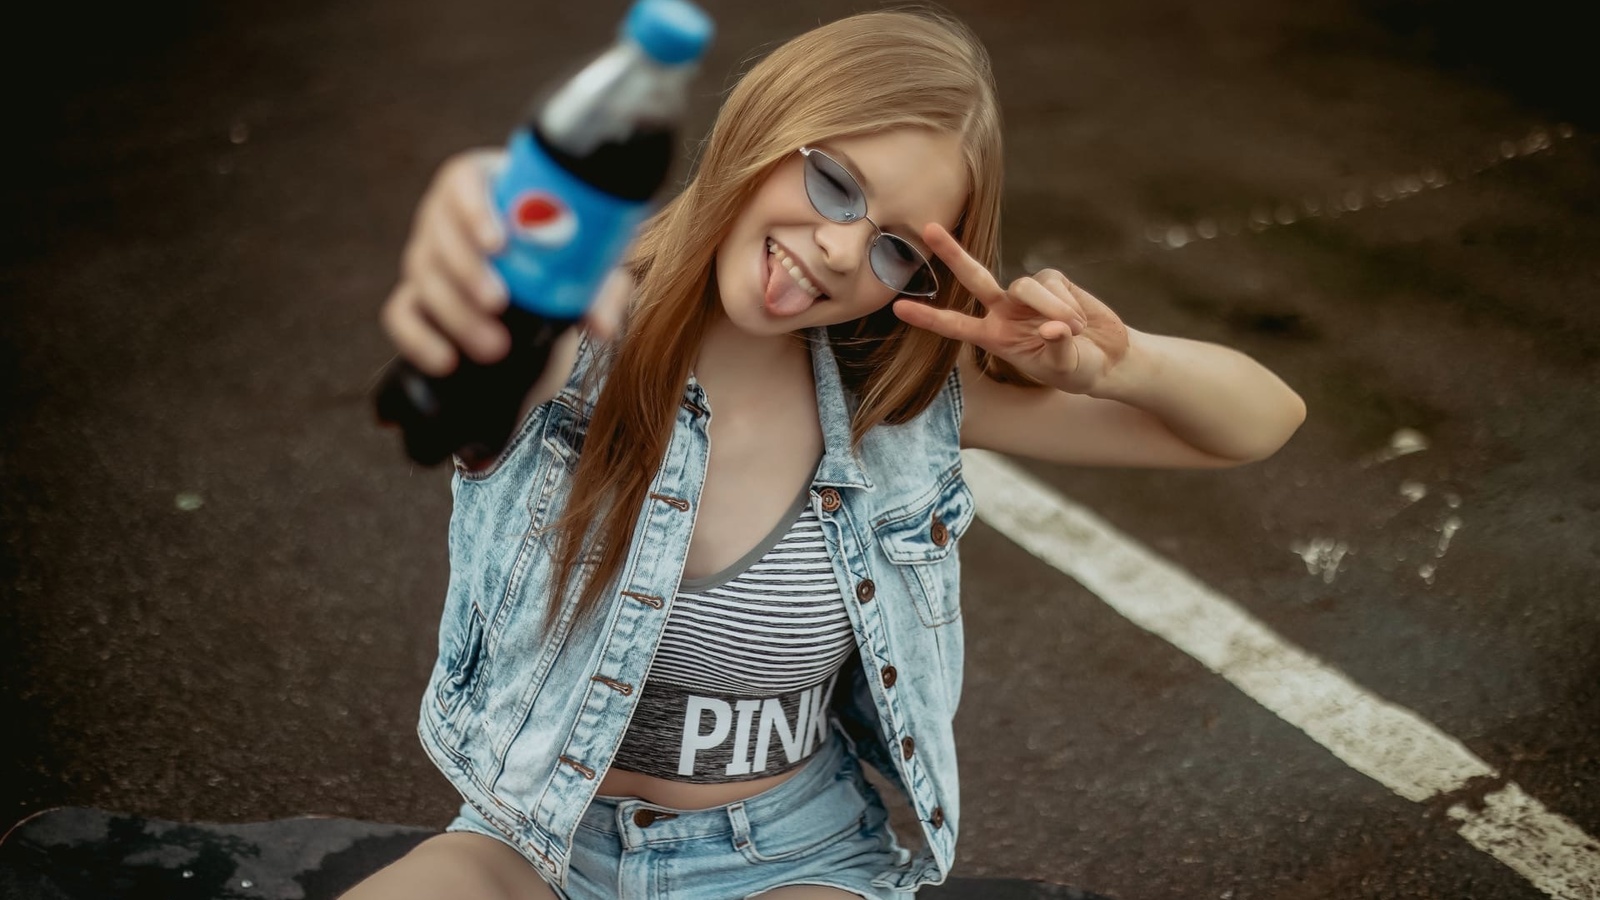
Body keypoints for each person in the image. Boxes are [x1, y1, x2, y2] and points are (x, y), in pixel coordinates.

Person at [344, 8, 1306, 900]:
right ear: (761, 130)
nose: (846, 251)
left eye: (896, 249)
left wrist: (1120, 364)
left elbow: (1261, 422)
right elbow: (487, 328)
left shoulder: (900, 398)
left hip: (789, 860)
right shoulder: (581, 335)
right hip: (528, 840)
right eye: (834, 183)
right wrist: (486, 260)